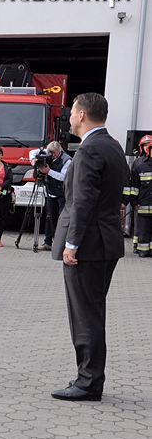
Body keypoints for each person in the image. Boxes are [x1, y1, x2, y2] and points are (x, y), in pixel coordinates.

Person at [51, 92, 128, 401]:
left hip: (88, 245)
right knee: (93, 311)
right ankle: (90, 378)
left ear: (82, 115)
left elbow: (83, 201)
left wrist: (72, 244)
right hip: (106, 240)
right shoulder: (113, 146)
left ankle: (88, 382)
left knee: (85, 315)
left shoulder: (89, 150)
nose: (69, 117)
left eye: (72, 112)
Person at [31, 141, 71, 250]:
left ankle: (61, 244)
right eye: (49, 152)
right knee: (49, 217)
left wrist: (48, 171)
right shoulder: (48, 152)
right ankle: (47, 242)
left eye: (53, 153)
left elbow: (63, 177)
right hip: (50, 191)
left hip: (62, 194)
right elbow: (32, 152)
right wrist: (33, 160)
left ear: (58, 151)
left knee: (62, 219)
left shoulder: (67, 160)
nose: (51, 155)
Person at [125, 134, 152, 257]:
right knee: (142, 229)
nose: (148, 148)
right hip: (143, 204)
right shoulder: (138, 164)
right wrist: (134, 202)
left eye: (149, 145)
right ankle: (141, 249)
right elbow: (134, 187)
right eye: (145, 145)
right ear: (142, 147)